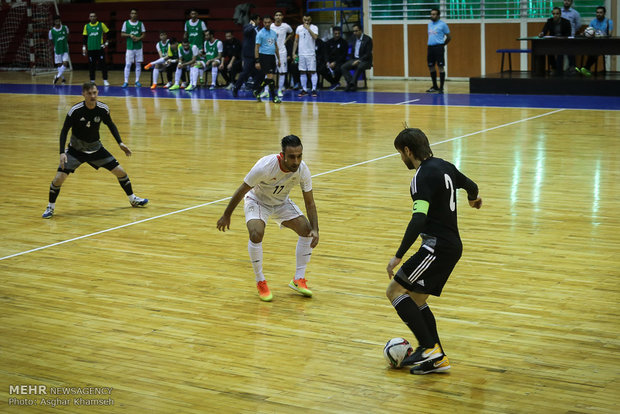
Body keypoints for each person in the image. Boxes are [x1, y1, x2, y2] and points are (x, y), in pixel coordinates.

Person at [385, 127, 482, 374]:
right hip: (451, 246)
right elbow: (471, 185)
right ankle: (436, 358)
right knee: (416, 299)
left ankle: (429, 348)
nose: (402, 159)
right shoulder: (445, 166)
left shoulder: (421, 177)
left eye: (400, 153)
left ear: (408, 151)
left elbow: (418, 219)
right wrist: (473, 198)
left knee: (395, 290)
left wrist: (399, 254)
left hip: (436, 247)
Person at [216, 135, 319, 302]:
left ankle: (298, 279)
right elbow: (242, 190)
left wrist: (316, 229)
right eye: (292, 157)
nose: (296, 161)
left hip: (281, 203)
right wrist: (226, 215)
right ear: (282, 155)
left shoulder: (302, 169)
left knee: (307, 231)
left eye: (299, 156)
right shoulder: (264, 166)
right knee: (256, 233)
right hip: (257, 202)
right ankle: (260, 281)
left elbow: (310, 202)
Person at [42, 83, 148, 219]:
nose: (93, 96)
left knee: (121, 172)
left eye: (95, 93)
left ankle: (133, 199)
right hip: (75, 150)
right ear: (83, 94)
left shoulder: (103, 109)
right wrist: (62, 152)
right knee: (58, 179)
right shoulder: (75, 110)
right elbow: (64, 131)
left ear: (97, 92)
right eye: (89, 93)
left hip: (96, 149)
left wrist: (120, 143)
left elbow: (111, 125)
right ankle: (50, 207)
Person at [578, 6, 614, 76]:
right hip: (593, 43)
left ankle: (586, 68)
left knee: (595, 51)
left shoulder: (609, 22)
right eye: (597, 12)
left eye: (600, 12)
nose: (598, 14)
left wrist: (598, 35)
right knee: (591, 49)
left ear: (604, 13)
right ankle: (584, 69)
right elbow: (589, 32)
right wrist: (584, 33)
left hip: (604, 44)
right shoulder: (593, 22)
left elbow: (609, 34)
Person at [254, 15, 282, 103]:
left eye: (268, 22)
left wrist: (279, 59)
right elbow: (256, 48)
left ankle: (257, 91)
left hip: (272, 57)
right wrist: (257, 61)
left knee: (270, 77)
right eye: (265, 22)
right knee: (270, 77)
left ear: (271, 22)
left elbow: (276, 46)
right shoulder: (260, 33)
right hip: (264, 56)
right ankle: (274, 97)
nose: (267, 24)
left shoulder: (273, 33)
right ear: (263, 23)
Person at [232, 14, 261, 98]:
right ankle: (236, 88)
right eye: (258, 20)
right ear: (254, 20)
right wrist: (252, 25)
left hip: (256, 54)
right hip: (248, 54)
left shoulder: (258, 28)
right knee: (245, 73)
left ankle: (256, 90)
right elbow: (246, 32)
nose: (259, 21)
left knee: (258, 73)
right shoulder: (247, 26)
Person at [539, 7, 572, 75]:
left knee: (566, 50)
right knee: (549, 50)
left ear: (560, 14)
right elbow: (544, 30)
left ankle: (568, 68)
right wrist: (542, 33)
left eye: (557, 14)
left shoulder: (566, 22)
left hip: (563, 42)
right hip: (553, 41)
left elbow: (568, 34)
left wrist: (562, 38)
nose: (555, 15)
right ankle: (554, 68)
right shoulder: (549, 21)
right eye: (554, 14)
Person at [341, 24, 373, 92]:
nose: (354, 33)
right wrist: (351, 60)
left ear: (360, 30)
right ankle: (351, 83)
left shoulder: (367, 39)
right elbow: (352, 51)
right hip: (354, 59)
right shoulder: (353, 38)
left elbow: (367, 54)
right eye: (353, 31)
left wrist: (359, 60)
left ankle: (352, 84)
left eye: (356, 31)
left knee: (359, 66)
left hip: (365, 60)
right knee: (343, 67)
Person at [293, 14, 319, 97]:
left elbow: (315, 37)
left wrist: (308, 29)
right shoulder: (299, 28)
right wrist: (293, 53)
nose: (306, 21)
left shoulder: (314, 27)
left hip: (311, 54)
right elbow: (296, 41)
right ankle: (304, 90)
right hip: (301, 53)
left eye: (308, 20)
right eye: (305, 20)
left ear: (311, 20)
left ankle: (314, 89)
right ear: (302, 19)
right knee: (302, 71)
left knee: (313, 71)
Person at [425, 9, 451, 93]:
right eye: (431, 14)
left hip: (438, 47)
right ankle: (435, 86)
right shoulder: (429, 24)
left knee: (440, 67)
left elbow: (449, 37)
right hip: (430, 48)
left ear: (438, 15)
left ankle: (441, 87)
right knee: (431, 66)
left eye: (434, 14)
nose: (432, 16)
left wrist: (442, 45)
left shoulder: (443, 25)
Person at [82, 12, 110, 86]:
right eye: (91, 16)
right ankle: (92, 80)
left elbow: (108, 33)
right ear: (89, 18)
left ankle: (105, 80)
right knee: (91, 66)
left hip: (99, 48)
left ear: (96, 17)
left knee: (103, 65)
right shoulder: (86, 26)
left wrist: (106, 43)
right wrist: (84, 47)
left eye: (94, 16)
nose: (92, 17)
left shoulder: (101, 25)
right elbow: (84, 38)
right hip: (91, 49)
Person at [121, 9, 146, 88]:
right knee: (128, 64)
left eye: (135, 13)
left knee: (138, 64)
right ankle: (126, 81)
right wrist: (130, 35)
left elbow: (144, 34)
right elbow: (122, 34)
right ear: (130, 14)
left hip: (138, 47)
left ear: (137, 15)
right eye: (132, 13)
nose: (133, 15)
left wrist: (139, 38)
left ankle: (137, 81)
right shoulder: (126, 23)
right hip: (130, 47)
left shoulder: (140, 23)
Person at [271, 11, 293, 97]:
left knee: (282, 72)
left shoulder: (286, 26)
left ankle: (280, 90)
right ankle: (266, 90)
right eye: (276, 15)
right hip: (271, 52)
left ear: (282, 17)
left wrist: (286, 40)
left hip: (282, 52)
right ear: (274, 17)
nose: (278, 17)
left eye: (280, 15)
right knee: (269, 72)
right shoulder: (271, 26)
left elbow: (291, 33)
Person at [49, 15, 70, 85]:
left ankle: (57, 77)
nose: (57, 21)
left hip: (65, 48)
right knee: (59, 65)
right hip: (57, 49)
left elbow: (68, 36)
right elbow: (51, 41)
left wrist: (65, 43)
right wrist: (55, 47)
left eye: (58, 20)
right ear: (54, 22)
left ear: (60, 20)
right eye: (56, 20)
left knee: (65, 63)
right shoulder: (51, 31)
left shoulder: (65, 28)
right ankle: (63, 79)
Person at [561, 0, 581, 72]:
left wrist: (572, 32)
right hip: (560, 36)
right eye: (565, 0)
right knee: (559, 52)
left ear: (571, 2)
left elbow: (578, 25)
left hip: (570, 36)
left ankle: (572, 68)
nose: (566, 2)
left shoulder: (575, 13)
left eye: (568, 1)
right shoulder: (559, 12)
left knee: (570, 52)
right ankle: (558, 69)